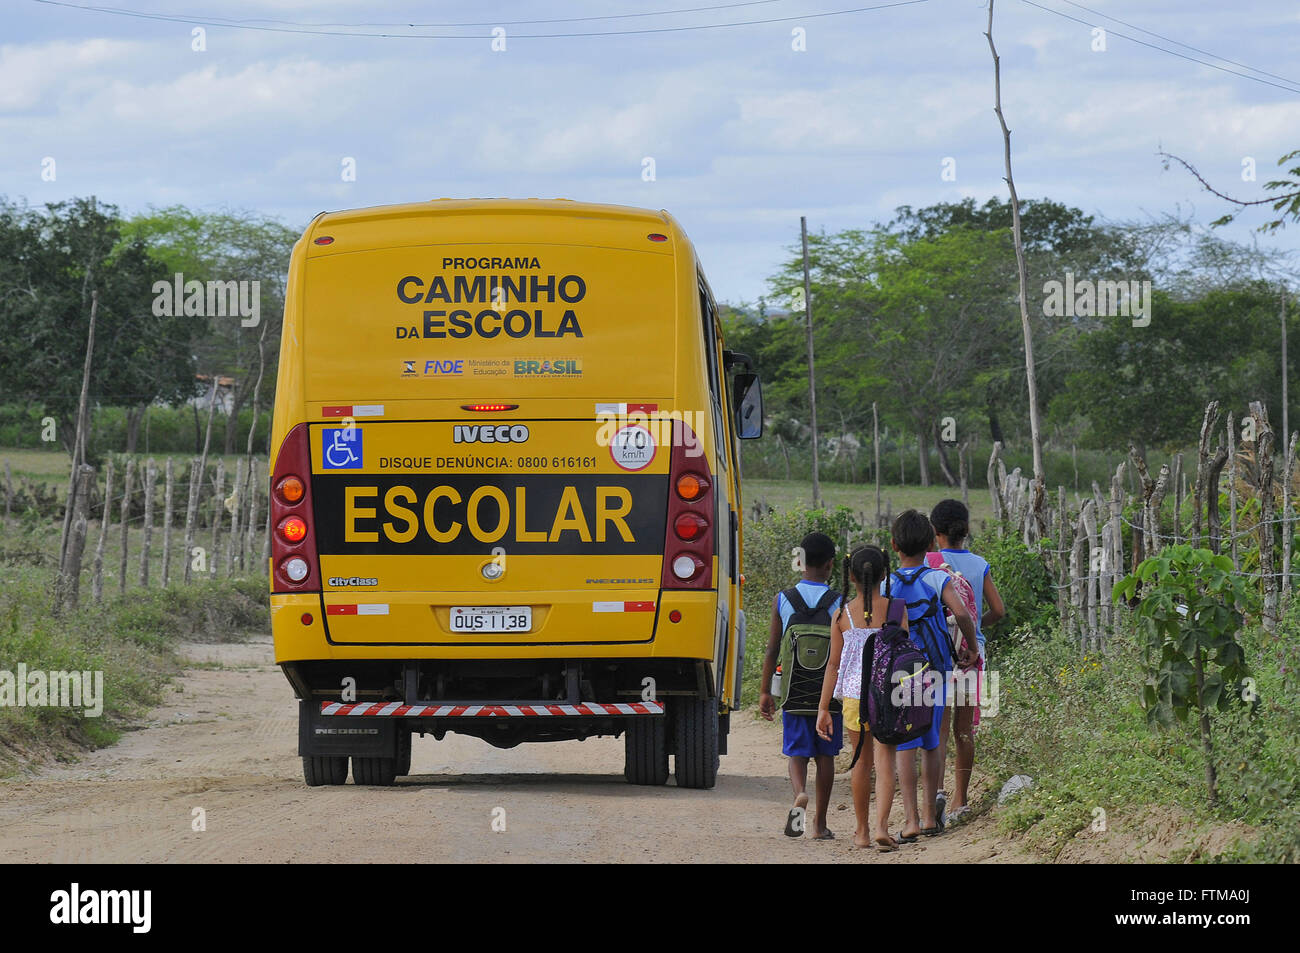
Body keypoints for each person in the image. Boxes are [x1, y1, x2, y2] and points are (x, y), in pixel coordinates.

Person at [888, 510, 977, 840]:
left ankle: (909, 820)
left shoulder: (890, 583)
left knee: (905, 745)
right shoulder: (938, 579)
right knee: (932, 742)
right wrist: (971, 647)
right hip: (936, 670)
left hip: (901, 674)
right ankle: (929, 817)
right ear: (930, 544)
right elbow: (962, 613)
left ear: (894, 544)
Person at [816, 545, 905, 851]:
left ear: (850, 575)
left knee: (860, 763)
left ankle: (862, 832)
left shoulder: (841, 614)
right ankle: (882, 826)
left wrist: (823, 708)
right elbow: (904, 655)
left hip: (855, 696)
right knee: (885, 763)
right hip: (888, 696)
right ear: (884, 574)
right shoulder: (896, 609)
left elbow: (833, 664)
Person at [759, 531, 842, 840]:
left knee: (796, 754)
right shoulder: (838, 602)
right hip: (827, 697)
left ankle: (799, 794)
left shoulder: (783, 599)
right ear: (831, 565)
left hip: (794, 692)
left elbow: (771, 649)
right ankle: (820, 825)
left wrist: (766, 690)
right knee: (826, 757)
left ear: (799, 562)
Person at [929, 499, 1005, 821]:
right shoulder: (979, 563)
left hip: (940, 652)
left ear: (935, 533)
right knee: (964, 731)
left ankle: (937, 794)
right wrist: (974, 626)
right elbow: (999, 610)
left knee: (940, 730)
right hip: (973, 655)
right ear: (967, 529)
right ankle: (961, 801)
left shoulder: (931, 563)